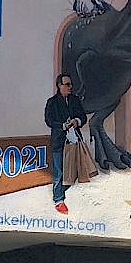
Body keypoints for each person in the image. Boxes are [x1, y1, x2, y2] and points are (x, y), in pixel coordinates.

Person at [44, 73, 87, 214]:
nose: (70, 87)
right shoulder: (52, 102)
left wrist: (77, 121)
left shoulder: (74, 100)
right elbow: (49, 121)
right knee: (59, 171)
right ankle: (58, 199)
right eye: (67, 84)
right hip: (59, 141)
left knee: (74, 169)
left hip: (74, 141)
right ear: (59, 86)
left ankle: (63, 190)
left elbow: (83, 117)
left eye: (70, 84)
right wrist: (62, 125)